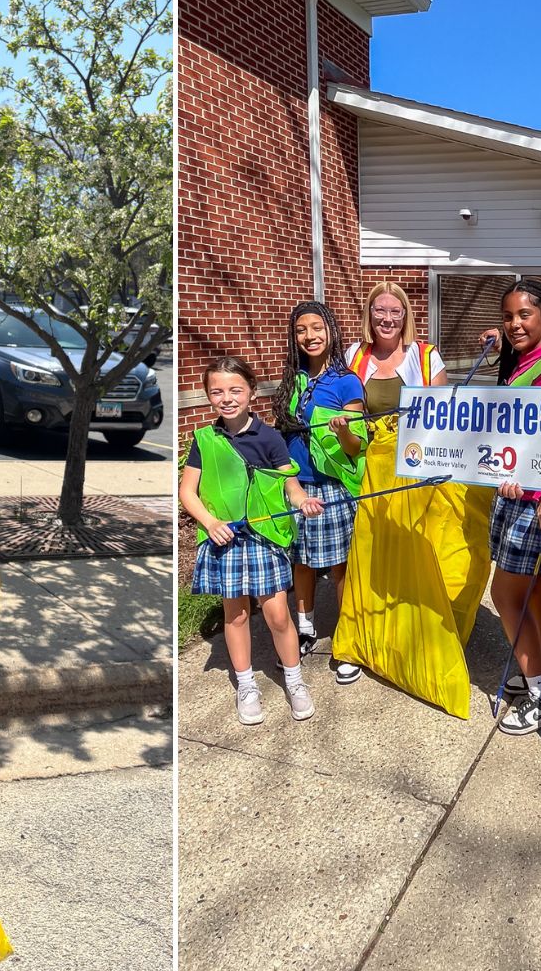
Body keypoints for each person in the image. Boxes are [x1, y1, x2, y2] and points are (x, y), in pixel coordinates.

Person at [180, 355, 323, 725]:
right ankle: (246, 686)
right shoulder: (205, 440)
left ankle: (294, 680)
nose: (226, 398)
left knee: (277, 613)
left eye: (235, 390)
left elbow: (289, 485)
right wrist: (210, 522)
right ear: (209, 396)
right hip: (224, 539)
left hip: (264, 537)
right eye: (217, 392)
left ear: (251, 392)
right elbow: (188, 492)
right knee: (237, 614)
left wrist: (303, 501)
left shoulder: (270, 437)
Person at [334, 282, 449, 684]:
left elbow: (443, 417)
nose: (387, 318)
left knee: (414, 549)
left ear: (406, 316)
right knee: (369, 554)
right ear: (369, 314)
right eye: (379, 310)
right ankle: (360, 641)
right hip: (371, 467)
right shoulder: (354, 355)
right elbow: (346, 410)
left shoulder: (426, 356)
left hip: (415, 469)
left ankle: (411, 637)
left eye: (395, 311)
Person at [486, 280, 541, 737]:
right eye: (509, 316)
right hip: (516, 492)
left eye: (525, 314)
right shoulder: (523, 363)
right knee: (536, 584)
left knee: (504, 594)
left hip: (532, 500)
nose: (516, 323)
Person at [271, 302, 363, 656]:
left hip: (331, 486)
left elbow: (355, 448)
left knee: (341, 565)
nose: (310, 336)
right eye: (301, 330)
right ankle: (305, 628)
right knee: (301, 561)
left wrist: (343, 432)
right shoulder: (292, 380)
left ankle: (347, 636)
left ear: (332, 331)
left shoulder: (346, 382)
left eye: (317, 327)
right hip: (295, 485)